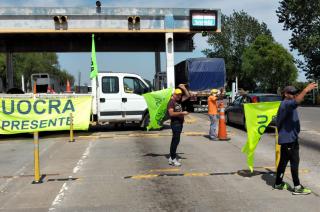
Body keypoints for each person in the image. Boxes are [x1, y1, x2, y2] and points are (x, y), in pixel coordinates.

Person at [274, 82, 317, 195]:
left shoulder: (288, 104)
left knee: (283, 162)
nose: (294, 95)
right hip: (289, 140)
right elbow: (297, 100)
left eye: (295, 93)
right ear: (285, 94)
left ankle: (278, 183)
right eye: (292, 93)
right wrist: (306, 90)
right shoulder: (286, 104)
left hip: (287, 139)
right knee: (294, 162)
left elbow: (298, 101)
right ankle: (297, 187)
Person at [167, 84, 190, 166]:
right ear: (174, 94)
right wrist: (182, 113)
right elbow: (171, 113)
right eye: (178, 95)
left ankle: (171, 157)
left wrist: (183, 88)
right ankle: (173, 159)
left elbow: (187, 95)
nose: (180, 97)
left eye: (180, 95)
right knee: (175, 141)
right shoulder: (171, 102)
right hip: (175, 123)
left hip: (179, 123)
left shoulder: (178, 101)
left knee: (176, 141)